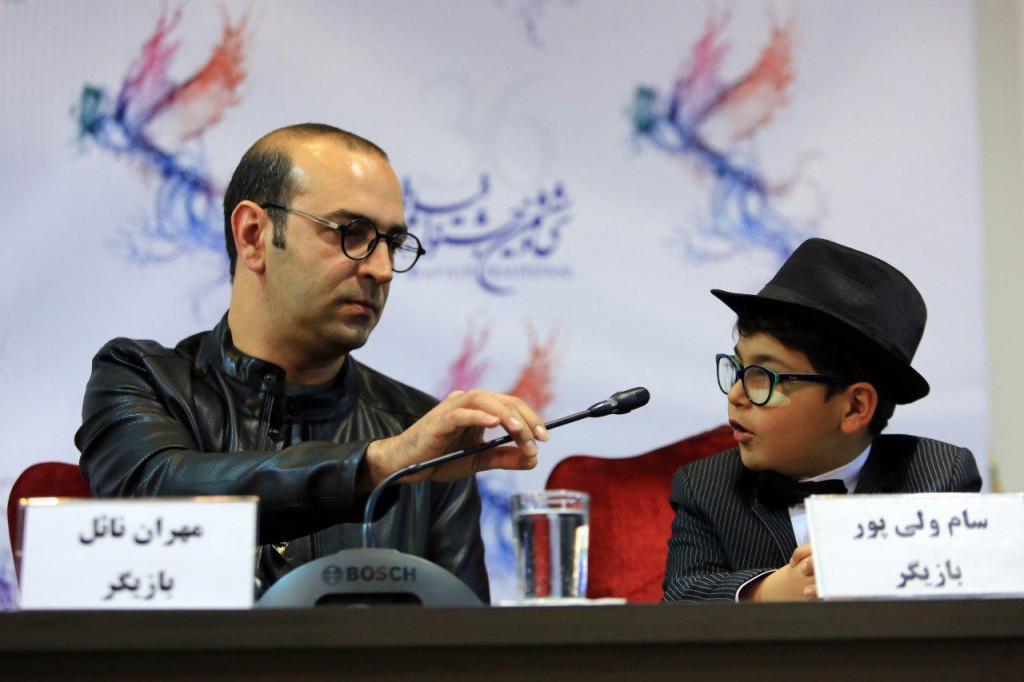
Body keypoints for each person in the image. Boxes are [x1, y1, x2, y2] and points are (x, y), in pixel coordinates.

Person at [75, 123, 548, 601]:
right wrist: (379, 465)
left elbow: (462, 633)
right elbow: (158, 498)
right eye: (352, 233)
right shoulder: (143, 380)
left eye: (392, 242)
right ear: (254, 235)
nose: (382, 269)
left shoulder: (420, 430)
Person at [662, 238, 981, 602]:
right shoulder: (707, 487)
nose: (736, 394)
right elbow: (681, 594)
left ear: (854, 407)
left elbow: (966, 596)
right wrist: (769, 591)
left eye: (764, 377)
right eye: (738, 369)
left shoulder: (936, 475)